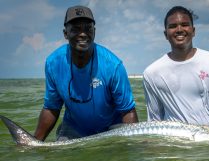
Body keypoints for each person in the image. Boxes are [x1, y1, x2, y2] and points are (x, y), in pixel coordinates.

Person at [143, 6, 209, 140]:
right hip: (177, 144)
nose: (179, 29)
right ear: (165, 34)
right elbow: (154, 120)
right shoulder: (152, 72)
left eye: (185, 25)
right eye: (173, 26)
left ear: (193, 31)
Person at [34, 5, 138, 141]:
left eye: (88, 29)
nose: (82, 34)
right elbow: (51, 108)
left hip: (111, 130)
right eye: (75, 29)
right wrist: (34, 143)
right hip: (74, 128)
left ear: (94, 32)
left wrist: (134, 146)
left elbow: (128, 111)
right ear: (65, 33)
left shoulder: (113, 65)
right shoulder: (53, 63)